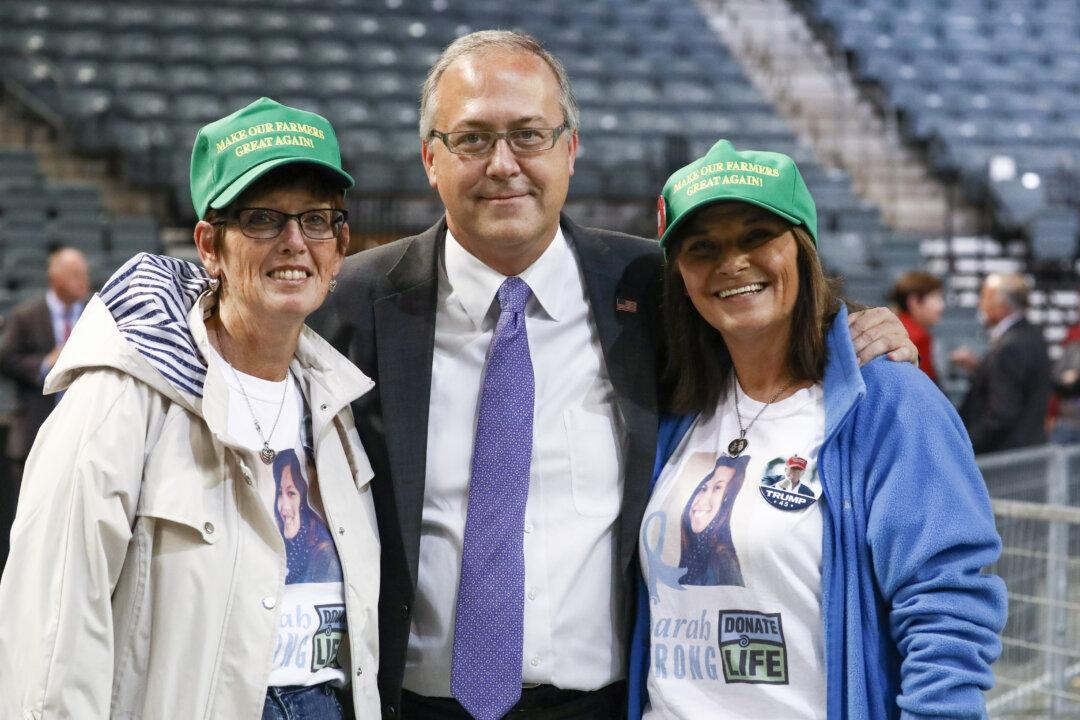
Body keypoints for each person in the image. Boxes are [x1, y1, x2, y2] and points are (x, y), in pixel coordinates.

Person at [322, 31, 917, 720]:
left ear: (570, 150)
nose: (504, 164)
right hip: (412, 703)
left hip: (604, 705)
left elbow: (763, 299)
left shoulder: (653, 288)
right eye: (473, 139)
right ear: (432, 158)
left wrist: (853, 329)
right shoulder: (353, 301)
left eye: (529, 135)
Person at [0, 98, 380, 719]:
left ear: (339, 246)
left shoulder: (338, 402)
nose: (294, 242)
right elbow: (51, 635)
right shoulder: (124, 394)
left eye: (316, 219)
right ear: (210, 244)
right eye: (262, 219)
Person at [629, 139, 1006, 718]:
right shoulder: (677, 406)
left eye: (757, 236)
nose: (732, 262)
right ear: (680, 277)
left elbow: (947, 605)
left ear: (801, 250)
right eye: (702, 248)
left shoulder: (888, 402)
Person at [0, 245, 89, 574]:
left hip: (83, 436)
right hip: (34, 431)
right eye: (76, 275)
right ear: (56, 279)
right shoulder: (26, 316)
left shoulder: (95, 315)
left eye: (84, 274)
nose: (84, 281)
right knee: (28, 522)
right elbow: (4, 357)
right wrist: (43, 366)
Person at [951, 272, 1052, 453]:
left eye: (985, 297)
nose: (980, 304)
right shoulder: (1033, 335)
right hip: (1029, 450)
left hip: (1007, 459)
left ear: (1003, 305)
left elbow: (1001, 414)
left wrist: (963, 447)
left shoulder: (1010, 347)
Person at [274, 448, 344, 585]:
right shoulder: (287, 549)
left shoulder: (326, 558)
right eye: (280, 493)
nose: (283, 506)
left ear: (308, 501)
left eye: (291, 493)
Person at [678, 454, 747, 587]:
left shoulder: (723, 560)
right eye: (703, 489)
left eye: (718, 488)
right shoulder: (693, 553)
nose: (702, 500)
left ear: (729, 499)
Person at [888, 270, 944, 383]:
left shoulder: (892, 326)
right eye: (936, 298)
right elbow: (926, 387)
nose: (942, 306)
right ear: (914, 301)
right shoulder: (918, 337)